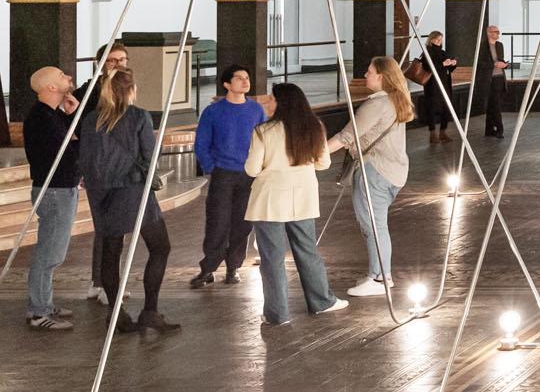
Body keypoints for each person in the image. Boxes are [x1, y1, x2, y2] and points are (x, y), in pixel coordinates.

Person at [79, 69, 178, 334]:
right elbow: (149, 155)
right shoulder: (137, 117)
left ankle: (116, 311)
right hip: (133, 191)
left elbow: (86, 158)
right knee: (160, 247)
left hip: (102, 194)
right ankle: (150, 311)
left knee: (111, 252)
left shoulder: (90, 120)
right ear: (131, 90)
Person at [245, 82, 346, 326]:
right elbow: (323, 164)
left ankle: (277, 314)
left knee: (272, 258)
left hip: (269, 200)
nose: (267, 103)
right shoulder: (314, 127)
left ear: (282, 103)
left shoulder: (263, 132)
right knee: (307, 251)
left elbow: (251, 169)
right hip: (303, 197)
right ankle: (322, 302)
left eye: (271, 99)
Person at [328, 55, 413, 296]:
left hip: (374, 171)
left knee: (373, 225)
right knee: (376, 224)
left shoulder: (377, 104)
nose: (365, 75)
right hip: (392, 172)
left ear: (382, 76)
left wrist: (317, 154)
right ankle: (378, 274)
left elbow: (347, 136)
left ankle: (379, 278)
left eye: (369, 71)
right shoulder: (397, 101)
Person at [190, 63, 266, 289]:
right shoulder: (213, 112)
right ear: (227, 84)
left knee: (242, 223)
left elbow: (263, 140)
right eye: (240, 78)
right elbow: (202, 142)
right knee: (217, 222)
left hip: (249, 174)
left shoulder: (256, 110)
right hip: (223, 173)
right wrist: (211, 166)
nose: (245, 81)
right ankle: (209, 268)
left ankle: (233, 267)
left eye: (247, 77)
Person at [24, 66, 82, 331]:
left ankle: (43, 302)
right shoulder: (41, 118)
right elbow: (69, 150)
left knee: (53, 251)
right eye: (62, 76)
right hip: (54, 190)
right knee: (49, 253)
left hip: (62, 188)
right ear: (50, 87)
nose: (68, 78)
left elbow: (72, 144)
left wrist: (72, 114)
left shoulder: (53, 115)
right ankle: (39, 311)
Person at [79, 42, 129, 304]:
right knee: (106, 228)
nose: (118, 65)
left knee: (116, 230)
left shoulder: (126, 92)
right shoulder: (88, 93)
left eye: (122, 60)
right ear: (100, 65)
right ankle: (100, 283)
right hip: (100, 172)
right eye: (112, 61)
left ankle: (109, 281)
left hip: (120, 172)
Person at [412, 31, 455, 144]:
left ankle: (443, 132)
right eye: (436, 39)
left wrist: (453, 64)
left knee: (446, 107)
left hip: (444, 82)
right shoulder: (427, 52)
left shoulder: (443, 52)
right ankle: (432, 133)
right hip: (432, 84)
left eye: (440, 39)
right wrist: (443, 64)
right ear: (431, 39)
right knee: (432, 107)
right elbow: (428, 67)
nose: (438, 41)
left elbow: (449, 69)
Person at [482, 25, 509, 138]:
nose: (498, 34)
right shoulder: (482, 47)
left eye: (498, 31)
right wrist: (493, 64)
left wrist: (505, 65)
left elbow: (501, 59)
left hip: (499, 78)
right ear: (488, 33)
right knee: (494, 105)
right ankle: (499, 129)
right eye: (495, 31)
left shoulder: (499, 45)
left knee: (494, 104)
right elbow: (480, 63)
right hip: (489, 79)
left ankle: (489, 130)